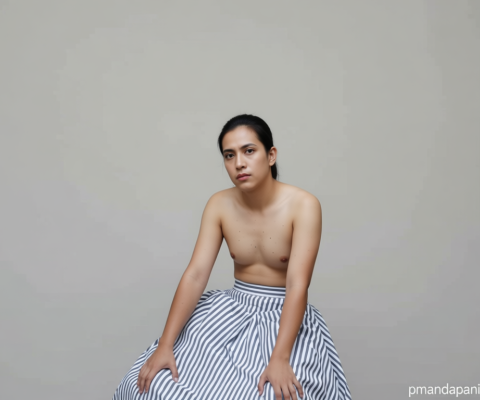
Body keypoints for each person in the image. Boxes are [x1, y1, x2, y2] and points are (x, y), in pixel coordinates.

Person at [112, 114, 352, 400]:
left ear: (271, 155)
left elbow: (297, 285)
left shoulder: (304, 205)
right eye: (229, 155)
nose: (239, 163)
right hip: (228, 314)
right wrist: (165, 344)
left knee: (273, 395)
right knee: (153, 386)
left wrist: (280, 358)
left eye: (249, 151)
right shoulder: (219, 204)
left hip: (284, 320)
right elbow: (196, 275)